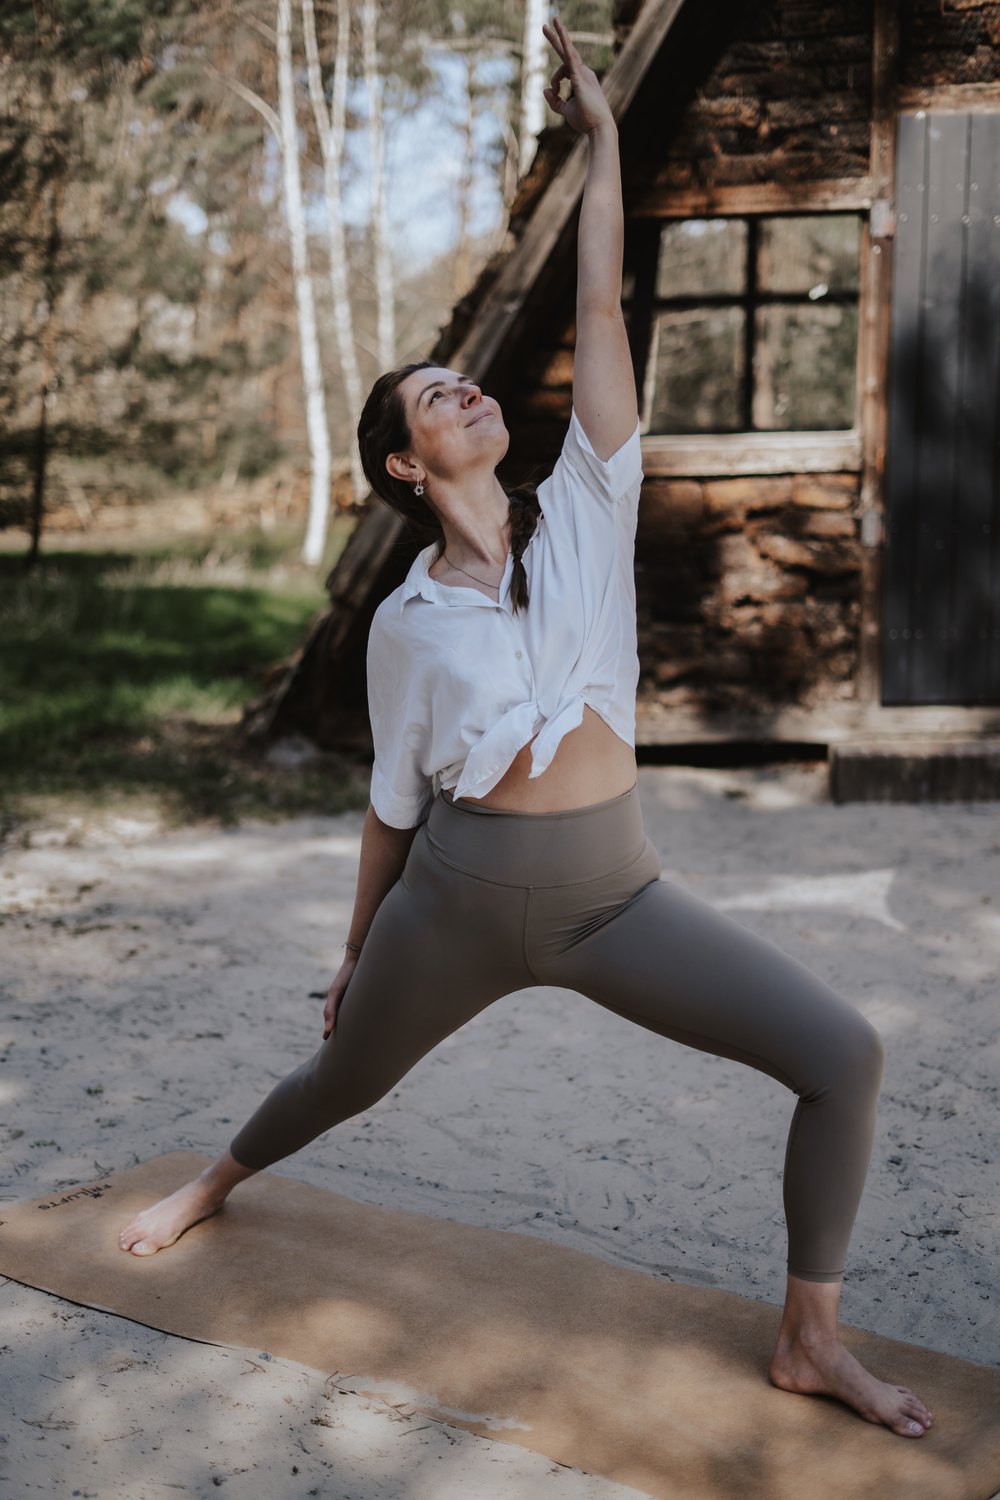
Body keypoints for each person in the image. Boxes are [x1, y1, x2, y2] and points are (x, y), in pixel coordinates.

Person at [118, 14, 932, 1440]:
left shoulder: (589, 505)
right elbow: (392, 799)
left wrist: (608, 139)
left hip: (617, 895)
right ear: (405, 462)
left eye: (468, 380)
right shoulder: (406, 624)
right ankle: (214, 1182)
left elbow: (603, 308)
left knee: (842, 1054)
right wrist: (358, 946)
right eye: (439, 396)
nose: (470, 390)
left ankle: (812, 1340)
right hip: (459, 900)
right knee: (343, 1077)